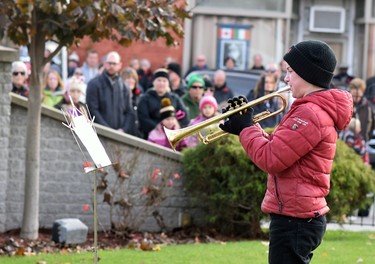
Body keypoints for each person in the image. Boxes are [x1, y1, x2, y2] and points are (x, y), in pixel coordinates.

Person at [219, 40, 353, 264]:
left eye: (290, 71)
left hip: (296, 219)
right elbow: (278, 147)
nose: (285, 78)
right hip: (296, 216)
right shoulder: (308, 108)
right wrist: (247, 126)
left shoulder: (310, 113)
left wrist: (246, 128)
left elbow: (271, 159)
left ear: (307, 73)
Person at [86, 51, 137, 135]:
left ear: (120, 65)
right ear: (105, 64)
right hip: (100, 133)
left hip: (120, 135)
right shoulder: (94, 84)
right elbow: (92, 109)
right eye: (109, 63)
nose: (111, 66)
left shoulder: (124, 87)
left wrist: (123, 129)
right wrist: (107, 130)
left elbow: (129, 111)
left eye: (114, 63)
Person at [137, 68, 189, 139]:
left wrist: (177, 126)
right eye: (159, 80)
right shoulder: (145, 99)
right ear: (153, 82)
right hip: (151, 136)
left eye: (164, 81)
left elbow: (184, 115)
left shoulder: (174, 98)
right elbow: (143, 118)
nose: (161, 83)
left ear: (168, 83)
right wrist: (158, 127)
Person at [348, 78, 374, 142]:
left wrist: (368, 136)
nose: (355, 98)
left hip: (363, 141)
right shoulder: (346, 105)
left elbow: (372, 123)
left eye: (358, 95)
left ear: (362, 92)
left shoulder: (368, 106)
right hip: (347, 141)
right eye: (353, 95)